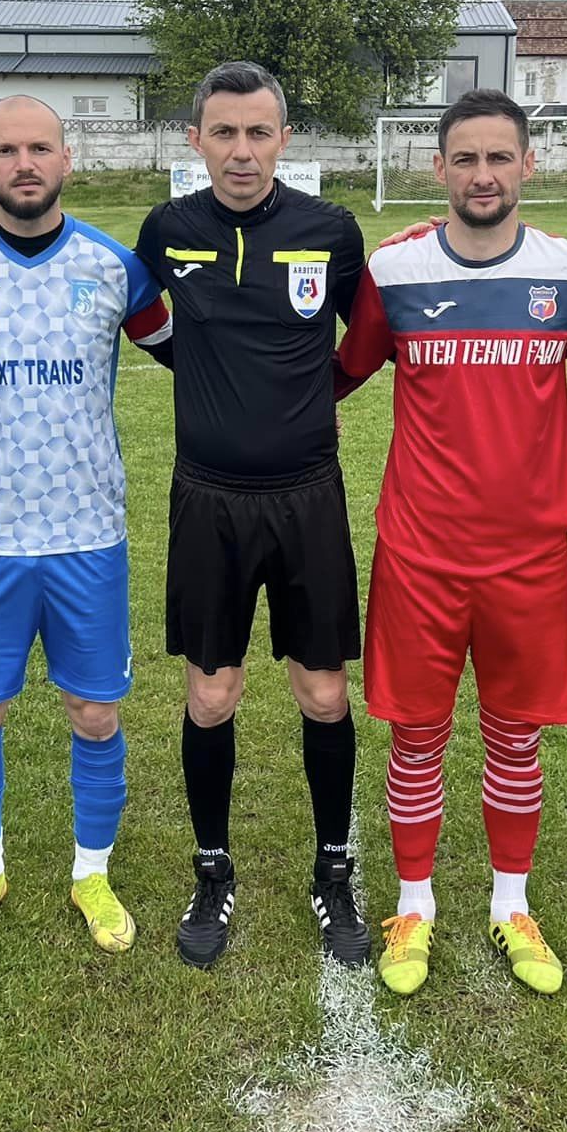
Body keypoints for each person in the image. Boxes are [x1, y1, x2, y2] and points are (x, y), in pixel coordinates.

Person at [335, 89, 567, 998]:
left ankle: (511, 904)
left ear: (527, 165)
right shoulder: (395, 270)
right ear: (439, 169)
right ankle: (413, 905)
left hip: (529, 558)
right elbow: (337, 373)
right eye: (465, 158)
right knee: (416, 737)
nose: (483, 174)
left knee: (514, 737)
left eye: (500, 157)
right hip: (420, 554)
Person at [0, 96, 175, 956]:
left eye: (39, 148)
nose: (23, 164)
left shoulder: (115, 267)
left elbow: (193, 356)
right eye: (5, 150)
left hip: (87, 532)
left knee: (93, 712)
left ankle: (91, 874)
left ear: (68, 159)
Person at [132, 59, 371, 971]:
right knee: (211, 694)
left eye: (258, 133)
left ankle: (333, 869)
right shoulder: (169, 230)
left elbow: (369, 336)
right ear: (195, 140)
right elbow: (136, 312)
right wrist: (196, 367)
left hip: (308, 496)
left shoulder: (329, 231)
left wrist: (317, 390)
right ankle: (212, 870)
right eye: (224, 133)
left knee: (324, 693)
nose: (241, 151)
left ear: (284, 139)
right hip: (208, 499)